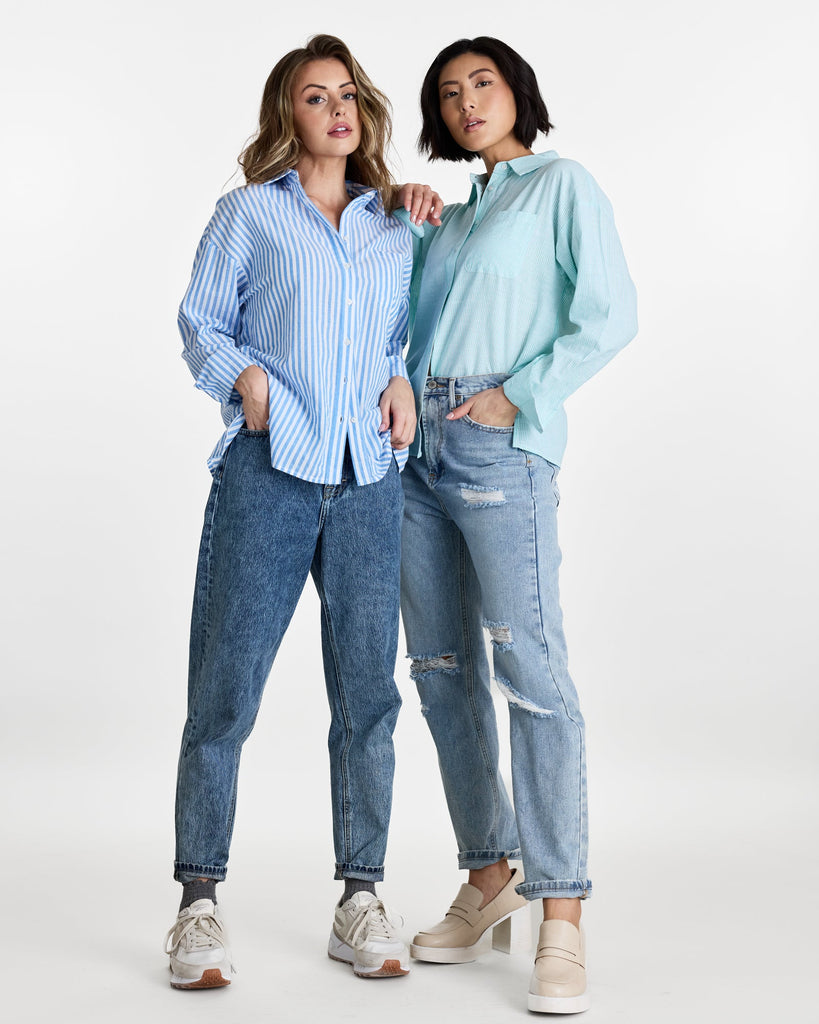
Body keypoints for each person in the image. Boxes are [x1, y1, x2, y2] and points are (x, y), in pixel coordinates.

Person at [164, 34, 432, 989]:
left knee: (368, 697)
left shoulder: (395, 225)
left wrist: (399, 375)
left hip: (369, 478)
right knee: (225, 690)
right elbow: (201, 318)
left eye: (349, 93)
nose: (337, 108)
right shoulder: (248, 214)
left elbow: (398, 332)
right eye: (316, 96)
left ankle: (360, 894)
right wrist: (242, 379)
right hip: (268, 473)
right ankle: (198, 902)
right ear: (290, 114)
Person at [397, 37, 638, 1014]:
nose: (466, 103)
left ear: (517, 93)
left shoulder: (560, 186)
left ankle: (562, 909)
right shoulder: (451, 220)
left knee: (528, 671)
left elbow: (609, 313)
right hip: (417, 454)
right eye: (448, 93)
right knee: (442, 673)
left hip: (499, 446)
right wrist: (410, 220)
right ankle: (489, 872)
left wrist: (522, 393)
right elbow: (405, 316)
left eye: (481, 83)